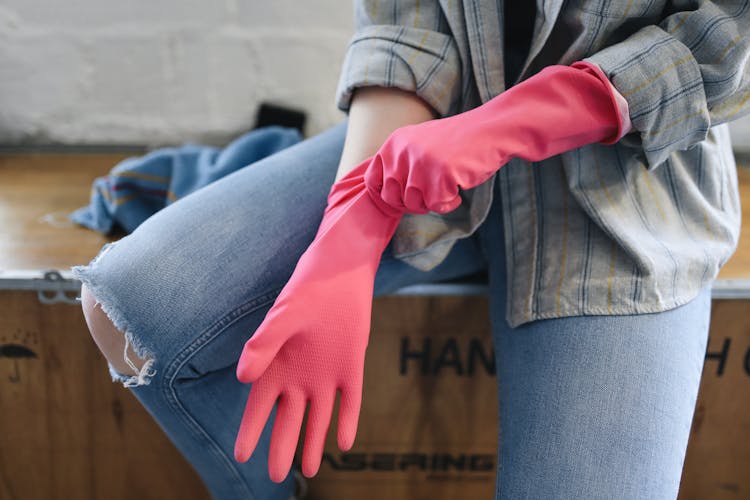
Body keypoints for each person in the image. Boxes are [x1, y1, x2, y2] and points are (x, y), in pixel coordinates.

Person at [75, 1, 748, 499]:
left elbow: (722, 40)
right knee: (131, 306)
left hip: (629, 184)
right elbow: (404, 28)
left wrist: (525, 118)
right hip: (425, 145)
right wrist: (351, 226)